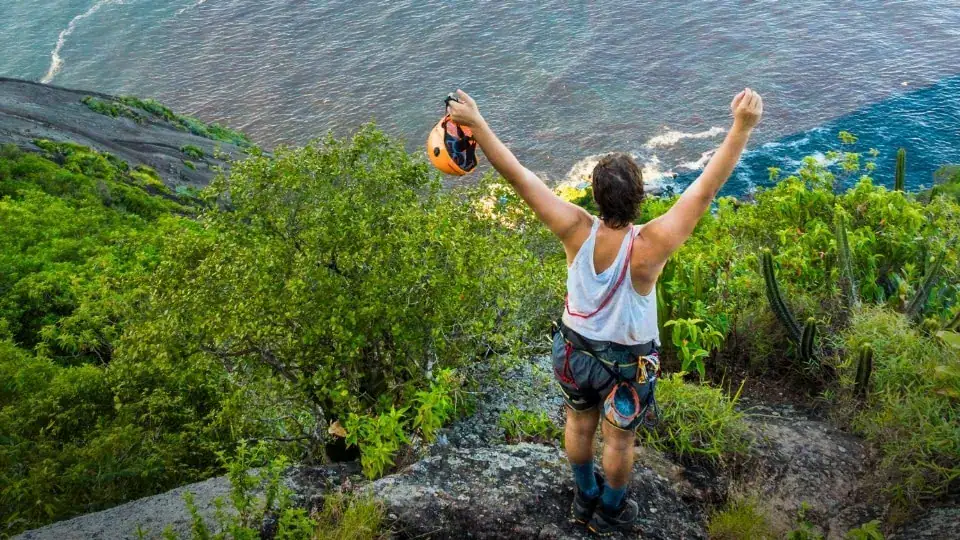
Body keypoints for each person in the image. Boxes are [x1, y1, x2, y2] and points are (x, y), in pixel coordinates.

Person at [447, 88, 763, 535]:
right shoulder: (651, 245)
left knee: (579, 424)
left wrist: (477, 125)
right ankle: (610, 510)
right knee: (618, 440)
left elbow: (519, 177)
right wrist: (742, 127)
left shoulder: (574, 229)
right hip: (627, 364)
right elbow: (706, 189)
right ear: (640, 197)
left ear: (595, 197)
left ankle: (584, 496)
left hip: (574, 353)